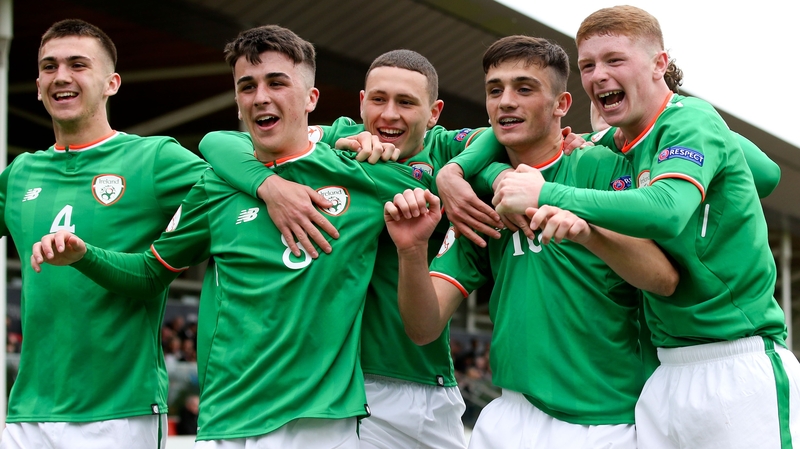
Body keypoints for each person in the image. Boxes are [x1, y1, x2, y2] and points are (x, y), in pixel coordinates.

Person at [32, 24, 432, 448]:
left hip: (318, 424)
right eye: (247, 86)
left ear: (312, 98)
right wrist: (84, 255)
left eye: (277, 83)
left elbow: (455, 187)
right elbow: (151, 273)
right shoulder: (215, 187)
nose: (261, 97)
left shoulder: (365, 176)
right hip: (224, 424)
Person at [491, 6, 800, 448]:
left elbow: (668, 209)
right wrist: (457, 173)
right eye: (588, 65)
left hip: (738, 360)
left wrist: (547, 193)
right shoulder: (613, 143)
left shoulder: (688, 120)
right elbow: (765, 175)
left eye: (615, 60)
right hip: (664, 372)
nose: (598, 75)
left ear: (660, 64)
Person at [384, 35, 678, 449]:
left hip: (603, 422)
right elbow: (423, 328)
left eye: (524, 89)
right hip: (507, 417)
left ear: (561, 105)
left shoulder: (601, 165)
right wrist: (411, 251)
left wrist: (587, 231)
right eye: (495, 90)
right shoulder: (481, 198)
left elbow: (663, 279)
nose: (505, 101)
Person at [200, 50, 494, 449]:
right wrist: (269, 186)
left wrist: (453, 174)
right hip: (342, 387)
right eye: (378, 99)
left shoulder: (444, 150)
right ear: (360, 102)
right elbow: (219, 141)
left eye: (406, 102)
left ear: (434, 112)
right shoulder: (337, 145)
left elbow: (500, 136)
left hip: (423, 380)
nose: (389, 114)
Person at [0, 19, 208, 449]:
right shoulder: (20, 173)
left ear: (112, 82)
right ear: (38, 84)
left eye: (78, 65)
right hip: (27, 414)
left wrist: (284, 178)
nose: (62, 76)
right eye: (50, 66)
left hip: (119, 414)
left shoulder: (154, 158)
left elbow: (233, 186)